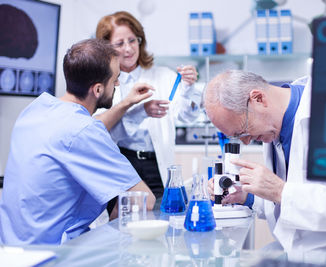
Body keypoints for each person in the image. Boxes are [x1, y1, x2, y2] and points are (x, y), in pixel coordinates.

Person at [204, 70, 326, 251]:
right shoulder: (273, 126)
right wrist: (248, 196)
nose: (246, 141)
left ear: (258, 98)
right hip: (311, 253)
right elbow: (298, 195)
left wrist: (279, 191)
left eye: (242, 131)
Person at [0, 39, 156, 245]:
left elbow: (78, 130)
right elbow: (142, 201)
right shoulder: (84, 131)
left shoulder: (34, 110)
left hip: (11, 249)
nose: (118, 84)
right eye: (115, 79)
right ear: (98, 90)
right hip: (54, 254)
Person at [95, 11, 201, 200]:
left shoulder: (162, 76)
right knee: (122, 222)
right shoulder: (102, 82)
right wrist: (141, 111)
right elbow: (100, 128)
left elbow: (187, 116)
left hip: (156, 165)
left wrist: (188, 89)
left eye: (132, 40)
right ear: (106, 48)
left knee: (162, 218)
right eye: (120, 43)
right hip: (122, 163)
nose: (128, 49)